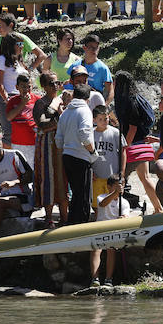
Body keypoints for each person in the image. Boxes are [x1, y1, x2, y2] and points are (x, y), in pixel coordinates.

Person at [114, 71, 163, 213]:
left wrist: (125, 147)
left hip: (135, 146)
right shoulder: (135, 98)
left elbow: (132, 128)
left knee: (122, 177)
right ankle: (159, 208)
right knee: (146, 178)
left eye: (115, 81)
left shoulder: (129, 102)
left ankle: (160, 208)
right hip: (143, 144)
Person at [55, 81, 97, 225]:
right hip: (81, 157)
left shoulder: (66, 112)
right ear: (88, 98)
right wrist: (92, 151)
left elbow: (58, 139)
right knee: (84, 196)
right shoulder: (85, 110)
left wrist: (65, 152)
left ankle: (72, 225)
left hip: (67, 156)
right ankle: (81, 228)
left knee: (76, 194)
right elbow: (84, 134)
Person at [33, 71, 68, 227]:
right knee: (48, 177)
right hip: (47, 144)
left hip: (62, 144)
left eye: (57, 82)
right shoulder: (41, 103)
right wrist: (57, 119)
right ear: (44, 86)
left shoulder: (64, 99)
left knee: (63, 178)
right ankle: (48, 217)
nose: (55, 86)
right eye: (51, 83)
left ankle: (65, 217)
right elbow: (41, 123)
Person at [0, 13, 47, 98]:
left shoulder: (21, 38)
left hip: (18, 82)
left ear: (10, 25)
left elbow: (41, 55)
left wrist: (29, 69)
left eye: (0, 25)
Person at [89, 176, 129, 287]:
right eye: (116, 186)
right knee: (96, 249)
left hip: (114, 231)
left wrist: (123, 218)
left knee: (111, 250)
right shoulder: (101, 197)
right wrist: (115, 193)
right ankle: (95, 278)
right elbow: (103, 204)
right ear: (109, 187)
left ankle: (108, 279)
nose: (120, 189)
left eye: (121, 186)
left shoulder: (124, 202)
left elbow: (126, 216)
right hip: (100, 229)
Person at [0, 33, 30, 147]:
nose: (21, 46)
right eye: (19, 44)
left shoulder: (18, 61)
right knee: (9, 133)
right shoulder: (1, 60)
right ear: (10, 45)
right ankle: (8, 159)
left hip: (21, 98)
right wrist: (6, 99)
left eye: (22, 44)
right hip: (8, 99)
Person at [91, 105, 126, 212]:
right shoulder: (90, 134)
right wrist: (90, 171)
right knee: (97, 204)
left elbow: (123, 152)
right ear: (94, 120)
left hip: (112, 176)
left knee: (114, 202)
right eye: (100, 119)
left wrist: (122, 171)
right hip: (96, 176)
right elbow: (86, 154)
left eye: (105, 119)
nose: (104, 121)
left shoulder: (115, 133)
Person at [5, 73, 40, 168]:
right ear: (17, 87)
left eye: (28, 86)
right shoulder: (12, 101)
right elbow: (9, 117)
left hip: (33, 142)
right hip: (17, 142)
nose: (26, 89)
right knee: (20, 168)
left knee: (35, 168)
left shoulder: (37, 100)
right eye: (23, 87)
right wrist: (23, 103)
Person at [68, 34, 113, 104]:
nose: (94, 50)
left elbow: (110, 90)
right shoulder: (75, 65)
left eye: (96, 48)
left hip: (95, 104)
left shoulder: (103, 68)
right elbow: (68, 85)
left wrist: (105, 106)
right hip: (77, 102)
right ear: (84, 48)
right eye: (91, 47)